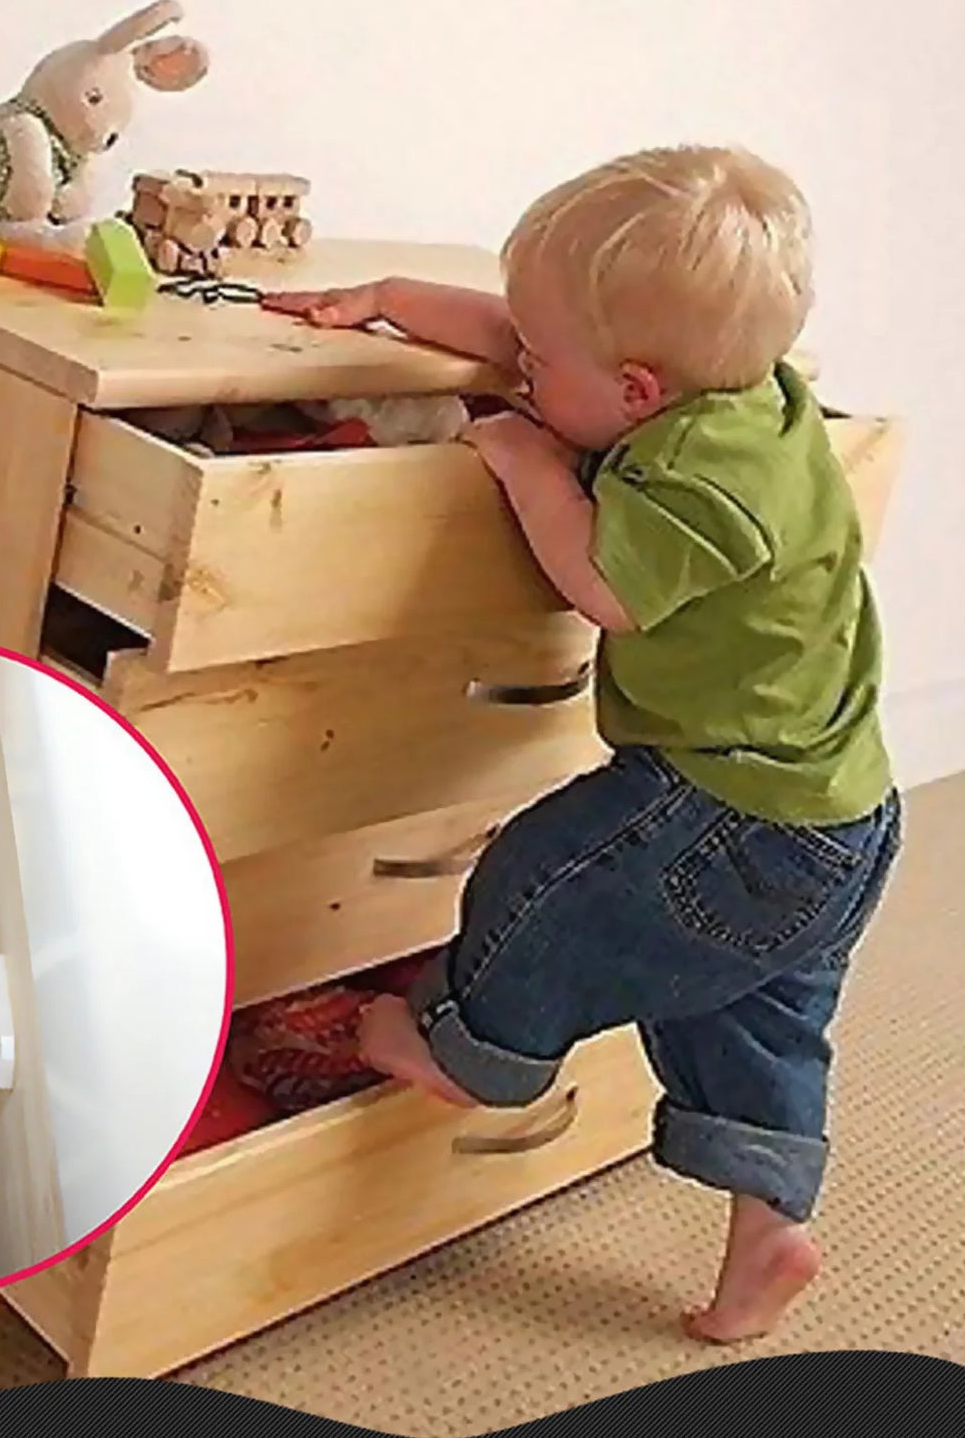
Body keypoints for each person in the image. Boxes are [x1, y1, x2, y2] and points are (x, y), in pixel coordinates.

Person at [264, 145, 902, 1344]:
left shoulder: (703, 489)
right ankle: (767, 1223)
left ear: (638, 391)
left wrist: (521, 456)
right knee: (750, 1016)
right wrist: (390, 296)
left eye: (536, 364)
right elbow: (528, 335)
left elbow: (600, 580)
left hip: (725, 812)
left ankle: (474, 1046)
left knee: (544, 874)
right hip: (840, 810)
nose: (517, 364)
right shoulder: (743, 393)